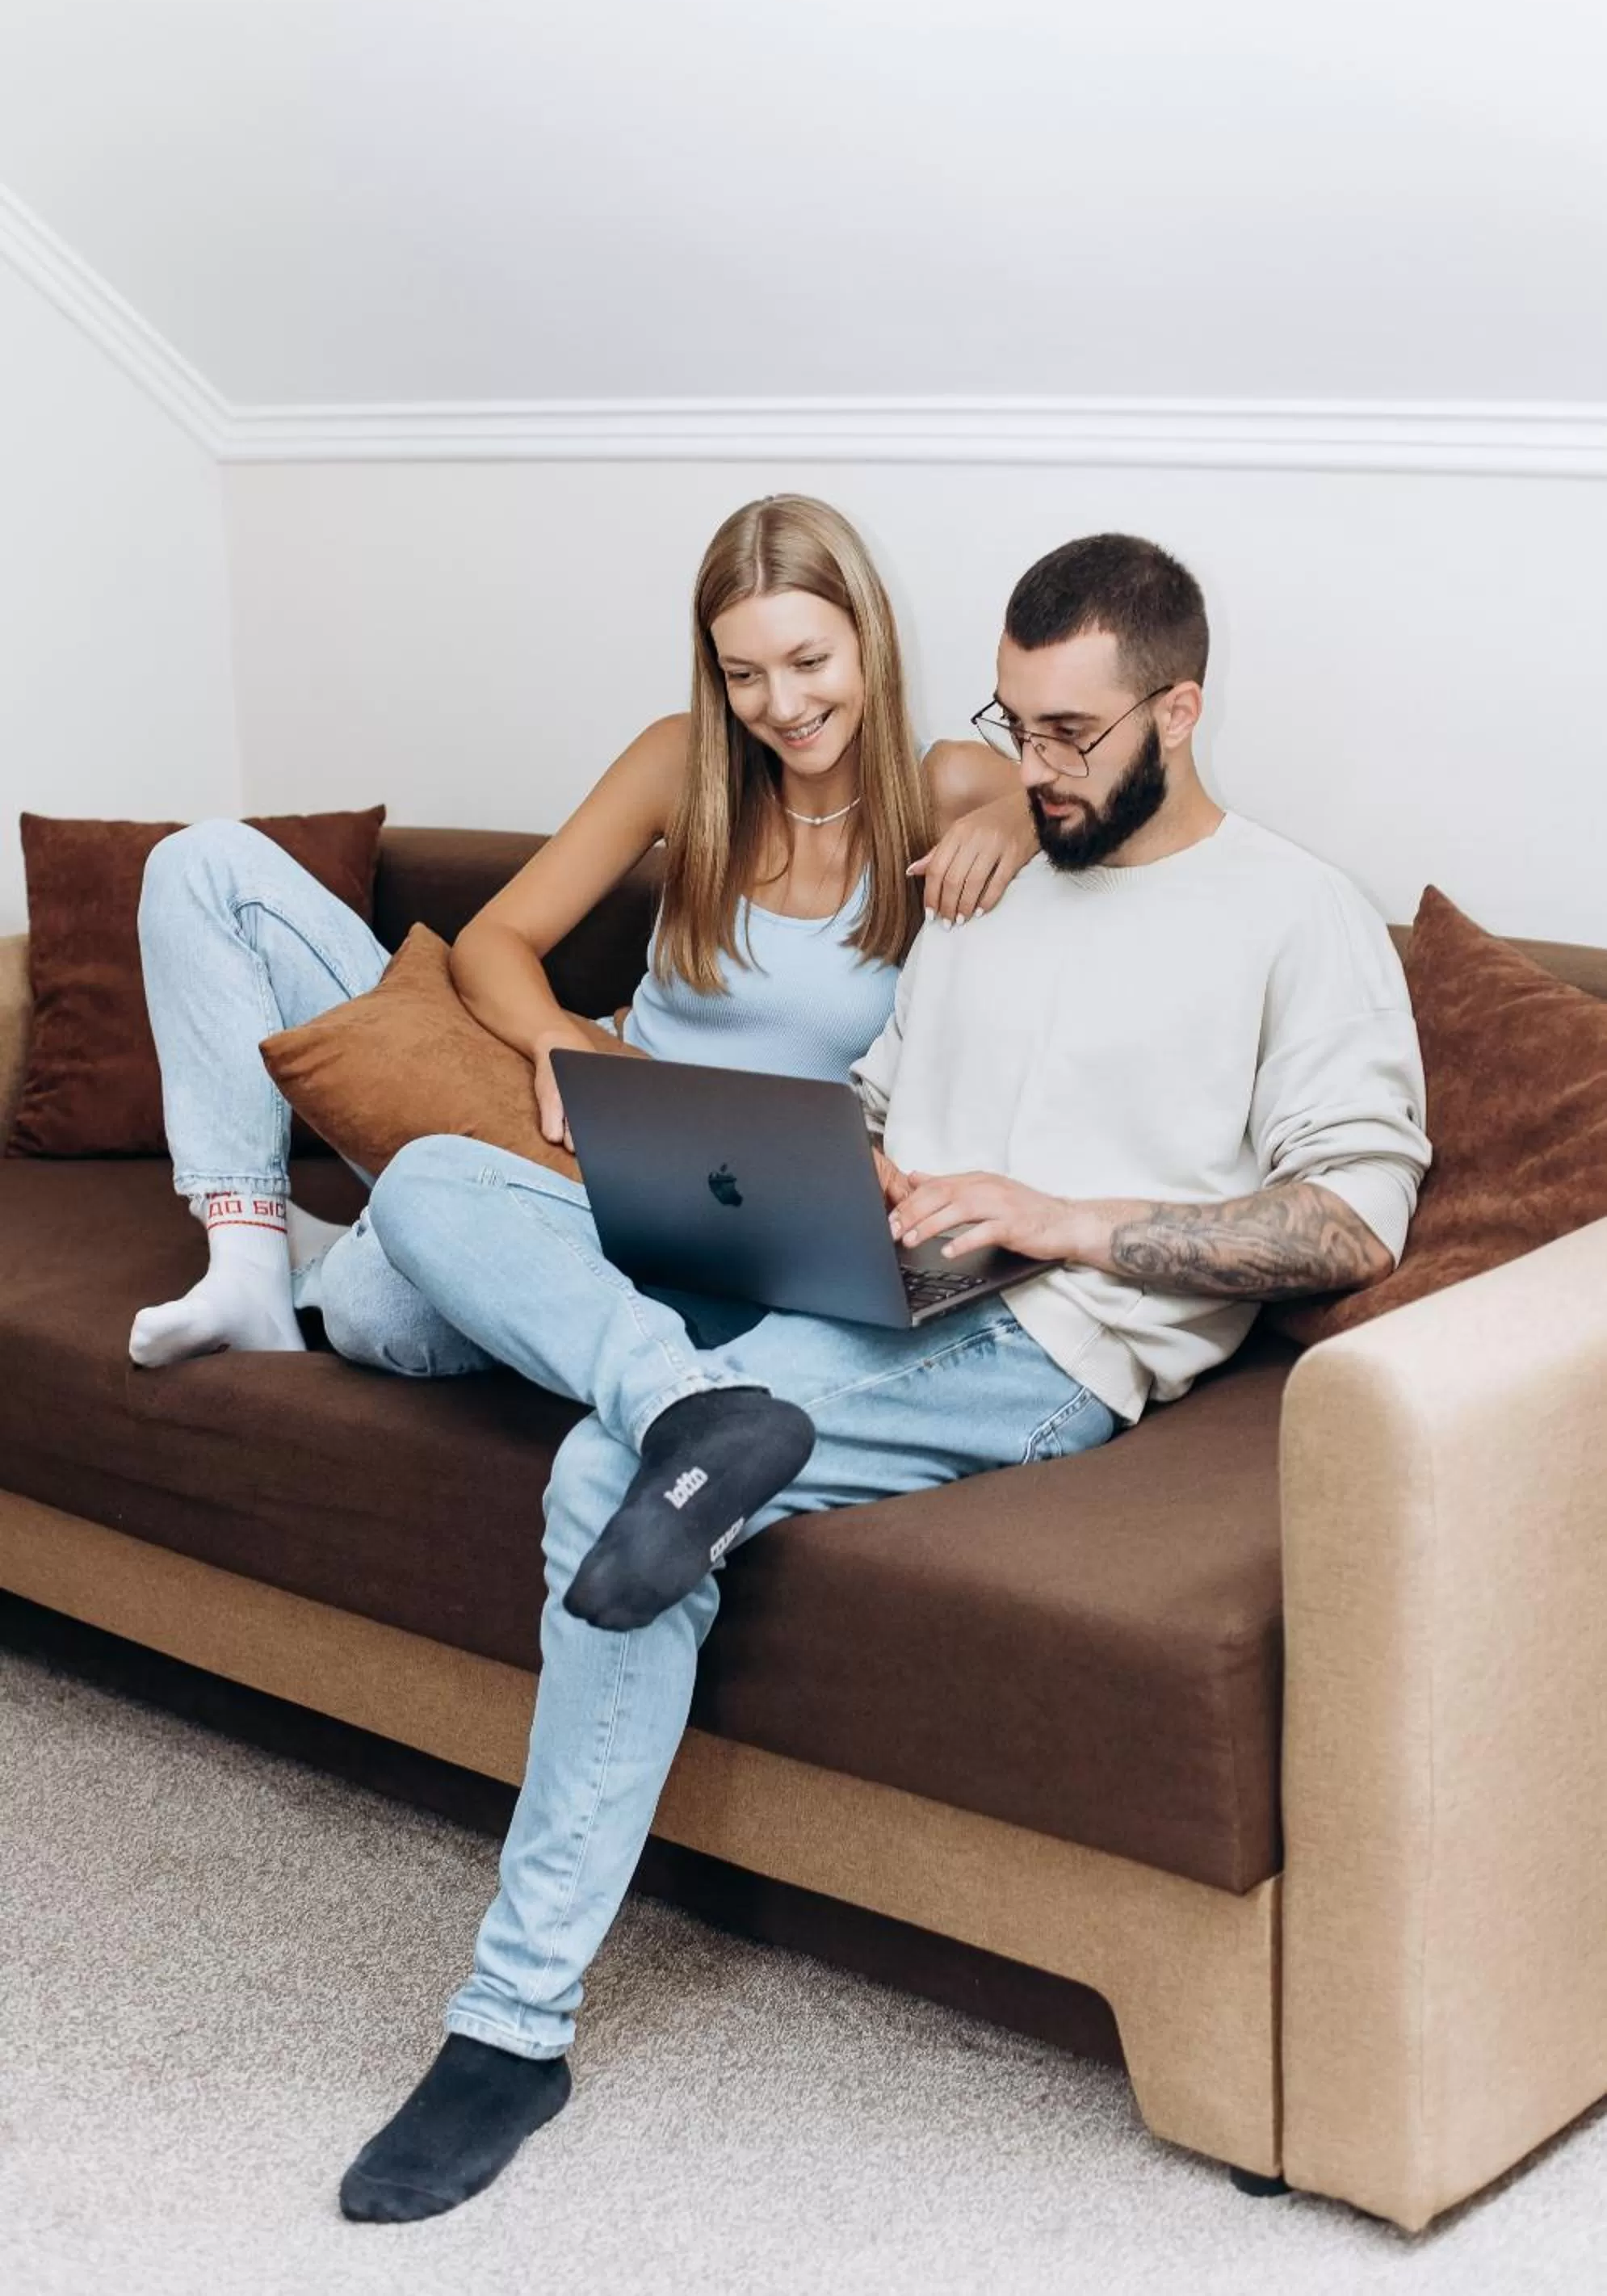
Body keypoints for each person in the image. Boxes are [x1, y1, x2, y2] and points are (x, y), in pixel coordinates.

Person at [336, 531, 1431, 2223]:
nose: (1031, 769)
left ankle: (511, 2028)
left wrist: (1059, 1217)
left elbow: (1349, 1220)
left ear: (1181, 712)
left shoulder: (1296, 916)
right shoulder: (985, 886)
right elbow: (875, 1089)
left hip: (1038, 1332)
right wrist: (806, 1171)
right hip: (851, 1278)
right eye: (1017, 724)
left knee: (591, 1483)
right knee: (426, 1190)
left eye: (1070, 735)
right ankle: (677, 1394)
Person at [128, 494, 1034, 1375]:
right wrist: (555, 1037)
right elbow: (493, 941)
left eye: (809, 661)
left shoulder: (948, 785)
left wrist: (1020, 819)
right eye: (744, 674)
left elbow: (1110, 816)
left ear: (868, 639)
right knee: (204, 864)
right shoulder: (683, 763)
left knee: (376, 1308)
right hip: (564, 1122)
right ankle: (247, 1252)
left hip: (717, 1218)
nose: (782, 705)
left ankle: (333, 1258)